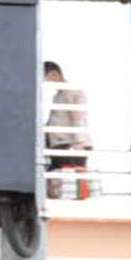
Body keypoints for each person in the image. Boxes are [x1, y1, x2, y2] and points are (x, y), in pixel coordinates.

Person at [40, 60, 94, 203]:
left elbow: (77, 117)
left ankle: (75, 201)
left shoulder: (72, 92)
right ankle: (60, 200)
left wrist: (78, 142)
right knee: (56, 175)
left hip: (70, 142)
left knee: (70, 177)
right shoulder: (58, 95)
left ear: (54, 74)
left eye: (46, 78)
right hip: (59, 142)